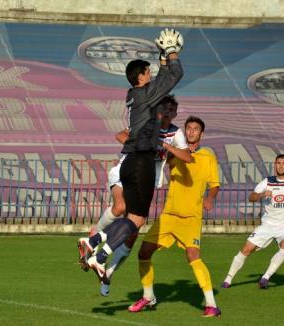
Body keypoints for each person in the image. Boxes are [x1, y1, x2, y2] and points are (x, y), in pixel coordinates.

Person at [77, 28, 184, 280]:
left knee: (131, 215)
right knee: (136, 218)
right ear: (142, 77)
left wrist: (160, 60)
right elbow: (177, 73)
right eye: (148, 72)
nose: (151, 75)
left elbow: (162, 79)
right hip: (142, 161)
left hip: (130, 161)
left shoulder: (134, 94)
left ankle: (94, 245)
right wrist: (170, 52)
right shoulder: (146, 93)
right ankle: (97, 252)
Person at [92, 95, 192, 296]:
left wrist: (164, 146)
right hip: (126, 171)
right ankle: (94, 237)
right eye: (165, 108)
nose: (168, 113)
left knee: (134, 230)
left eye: (172, 110)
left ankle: (109, 272)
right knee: (120, 207)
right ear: (159, 109)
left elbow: (187, 156)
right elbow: (120, 136)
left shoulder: (175, 133)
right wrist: (142, 144)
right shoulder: (146, 124)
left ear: (175, 113)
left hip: (148, 180)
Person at [127, 116, 222, 318]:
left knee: (193, 256)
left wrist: (210, 198)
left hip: (190, 217)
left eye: (195, 129)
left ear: (201, 133)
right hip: (169, 215)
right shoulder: (175, 154)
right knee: (143, 253)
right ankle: (148, 296)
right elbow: (163, 165)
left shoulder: (208, 157)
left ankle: (211, 304)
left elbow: (215, 184)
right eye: (188, 128)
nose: (191, 132)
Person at [221, 154, 284, 289]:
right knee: (246, 249)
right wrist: (261, 194)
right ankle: (228, 279)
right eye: (278, 163)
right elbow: (251, 197)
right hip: (267, 225)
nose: (281, 166)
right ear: (275, 165)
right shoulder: (267, 182)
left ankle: (265, 277)